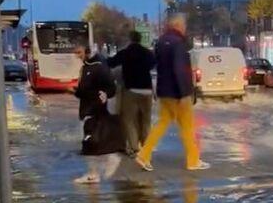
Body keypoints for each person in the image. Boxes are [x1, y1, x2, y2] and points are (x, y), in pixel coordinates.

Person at [136, 15, 209, 172]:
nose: (185, 28)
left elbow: (157, 66)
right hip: (178, 93)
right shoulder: (178, 44)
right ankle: (193, 161)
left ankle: (143, 154)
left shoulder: (161, 42)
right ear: (178, 26)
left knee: (162, 123)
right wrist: (184, 94)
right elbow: (180, 70)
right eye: (184, 25)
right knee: (188, 127)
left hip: (164, 92)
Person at [73, 45, 122, 184]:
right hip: (87, 108)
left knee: (90, 141)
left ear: (87, 52)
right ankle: (93, 174)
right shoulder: (85, 67)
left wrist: (106, 94)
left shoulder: (98, 67)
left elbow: (111, 87)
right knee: (90, 143)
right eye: (75, 53)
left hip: (94, 109)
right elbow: (84, 90)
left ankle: (111, 159)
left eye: (79, 52)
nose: (76, 56)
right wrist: (74, 92)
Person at [107, 31, 156, 157]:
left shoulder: (126, 52)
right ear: (140, 40)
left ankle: (134, 148)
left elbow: (111, 63)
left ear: (130, 39)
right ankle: (146, 147)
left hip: (131, 90)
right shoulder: (147, 53)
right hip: (147, 90)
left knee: (129, 120)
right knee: (146, 120)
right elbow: (153, 64)